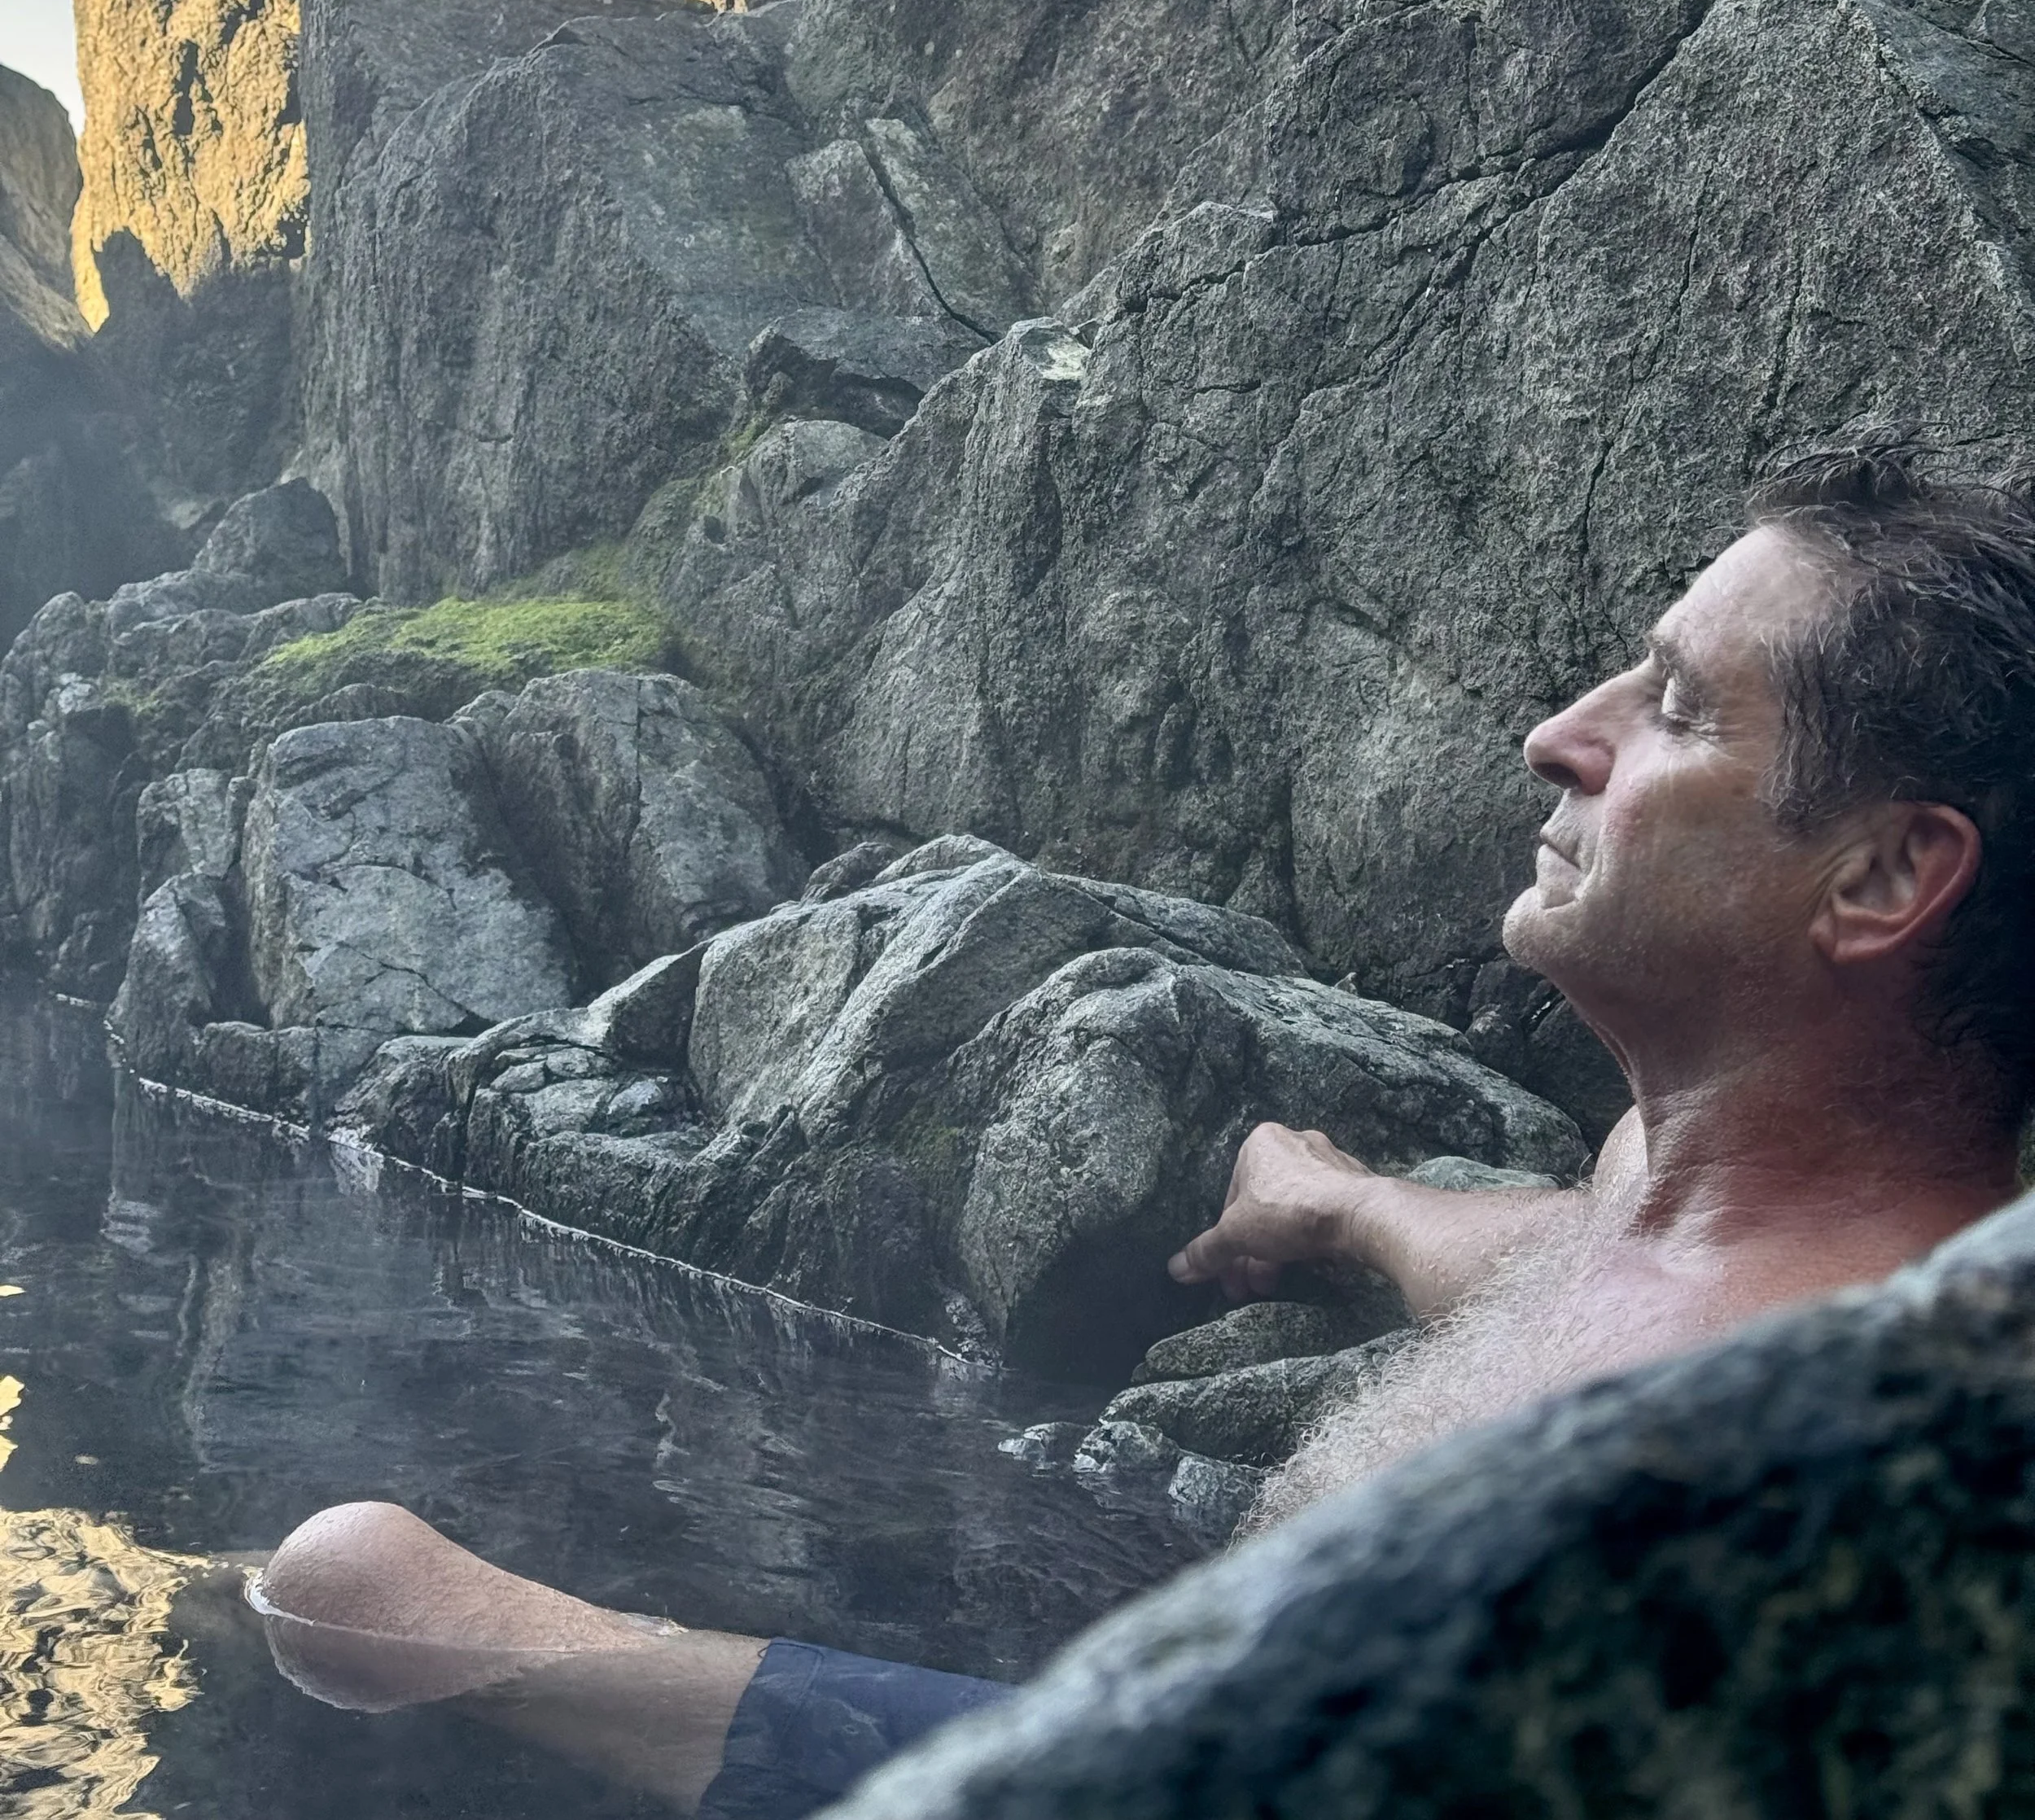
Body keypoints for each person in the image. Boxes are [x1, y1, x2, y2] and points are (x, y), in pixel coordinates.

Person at [252, 435, 2035, 1815]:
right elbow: (1570, 1260)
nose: (1554, 735)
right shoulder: (1677, 1177)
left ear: (1880, 875)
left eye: (1668, 706)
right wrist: (1335, 1203)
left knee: (359, 1598)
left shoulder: (1791, 1486)